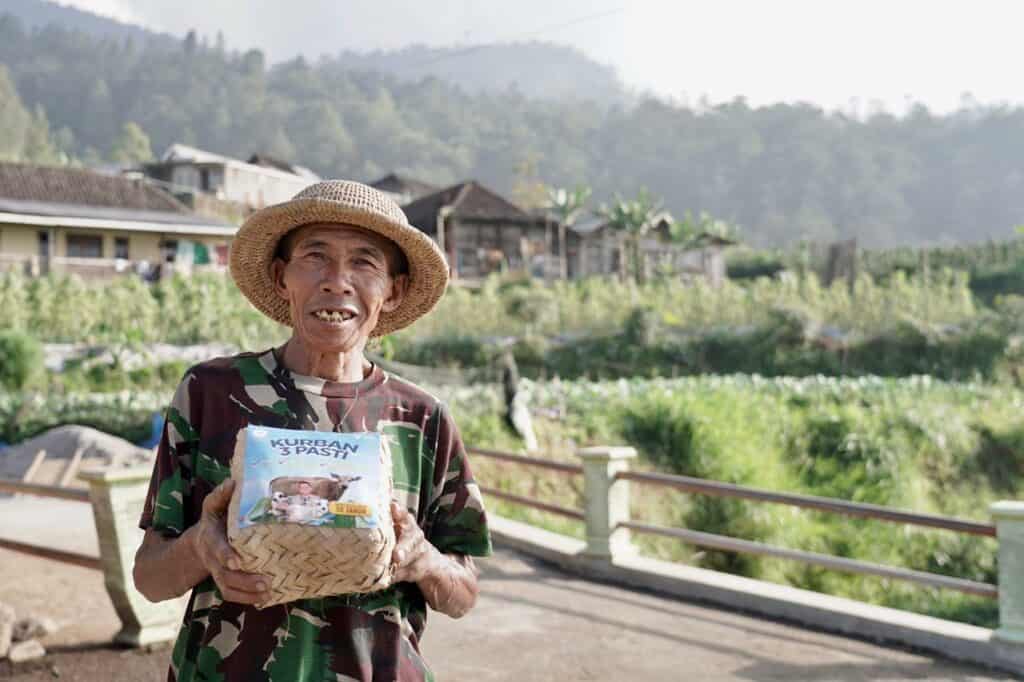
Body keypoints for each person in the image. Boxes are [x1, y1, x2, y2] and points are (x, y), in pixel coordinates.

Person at [132, 180, 492, 681]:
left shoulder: (422, 419)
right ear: (282, 278)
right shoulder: (211, 393)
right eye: (315, 257)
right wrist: (202, 548)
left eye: (364, 262)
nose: (336, 281)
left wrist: (423, 560)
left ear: (395, 290)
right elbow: (150, 577)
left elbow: (463, 592)